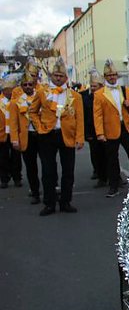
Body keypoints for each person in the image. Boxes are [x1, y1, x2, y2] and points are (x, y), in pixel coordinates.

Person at [28, 58, 84, 215]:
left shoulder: (75, 96)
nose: (58, 78)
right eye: (56, 75)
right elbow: (32, 111)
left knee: (68, 170)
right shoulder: (42, 93)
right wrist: (39, 128)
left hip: (67, 135)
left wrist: (80, 137)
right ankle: (49, 203)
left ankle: (65, 201)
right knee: (48, 170)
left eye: (61, 75)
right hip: (47, 135)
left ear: (66, 78)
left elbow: (79, 118)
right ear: (51, 76)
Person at [95, 59, 129, 197]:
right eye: (109, 75)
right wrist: (99, 133)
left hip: (125, 127)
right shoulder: (99, 94)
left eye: (114, 75)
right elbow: (97, 115)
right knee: (112, 159)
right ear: (105, 77)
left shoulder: (124, 90)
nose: (112, 77)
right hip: (110, 130)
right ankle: (113, 186)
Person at [9, 71, 41, 203]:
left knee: (48, 164)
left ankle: (52, 187)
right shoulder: (16, 102)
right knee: (30, 166)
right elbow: (13, 123)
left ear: (34, 85)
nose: (28, 86)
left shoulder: (41, 98)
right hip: (26, 136)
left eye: (30, 84)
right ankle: (35, 192)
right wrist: (14, 139)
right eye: (25, 84)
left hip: (41, 135)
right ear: (21, 86)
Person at [81, 70, 107, 186]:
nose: (92, 88)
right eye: (91, 86)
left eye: (95, 86)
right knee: (95, 153)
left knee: (107, 153)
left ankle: (111, 175)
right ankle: (99, 173)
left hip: (104, 128)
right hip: (91, 129)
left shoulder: (105, 95)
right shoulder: (84, 96)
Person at [0, 76, 23, 188]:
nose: (10, 92)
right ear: (3, 90)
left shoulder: (17, 101)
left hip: (15, 133)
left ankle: (17, 177)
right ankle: (4, 179)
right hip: (2, 134)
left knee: (16, 157)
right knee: (2, 158)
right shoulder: (0, 102)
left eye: (11, 89)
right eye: (7, 90)